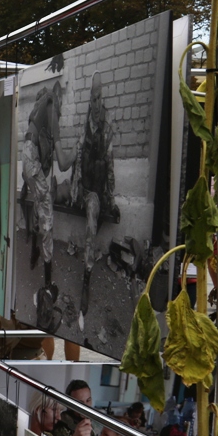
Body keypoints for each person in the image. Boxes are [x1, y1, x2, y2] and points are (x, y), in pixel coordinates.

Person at [20, 81, 75, 334]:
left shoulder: (40, 108)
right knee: (48, 218)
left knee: (41, 210)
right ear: (59, 96)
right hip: (32, 163)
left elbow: (34, 149)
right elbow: (63, 163)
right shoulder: (52, 110)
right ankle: (47, 289)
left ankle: (36, 251)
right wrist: (78, 152)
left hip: (28, 162)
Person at [70, 72, 119, 333]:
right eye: (93, 96)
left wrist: (110, 196)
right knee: (88, 212)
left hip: (98, 192)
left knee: (92, 217)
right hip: (87, 188)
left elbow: (109, 164)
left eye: (99, 96)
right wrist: (76, 187)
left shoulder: (106, 127)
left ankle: (86, 275)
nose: (96, 101)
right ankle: (87, 271)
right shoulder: (85, 125)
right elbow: (79, 157)